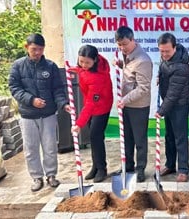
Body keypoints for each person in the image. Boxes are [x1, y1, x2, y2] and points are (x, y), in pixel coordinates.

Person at [9, 33, 70, 192]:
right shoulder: (17, 66)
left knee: (50, 147)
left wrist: (63, 103)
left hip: (48, 114)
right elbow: (14, 88)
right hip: (27, 115)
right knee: (31, 148)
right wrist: (31, 100)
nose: (37, 53)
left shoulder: (51, 66)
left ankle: (51, 175)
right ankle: (36, 177)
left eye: (40, 49)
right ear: (26, 47)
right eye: (34, 49)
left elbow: (58, 89)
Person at [69, 45, 113, 182]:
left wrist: (78, 124)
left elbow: (90, 105)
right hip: (92, 104)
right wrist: (75, 70)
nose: (84, 65)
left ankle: (102, 169)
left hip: (101, 106)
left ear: (95, 60)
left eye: (87, 62)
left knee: (96, 136)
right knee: (93, 137)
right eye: (81, 61)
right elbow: (83, 70)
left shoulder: (98, 78)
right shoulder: (91, 65)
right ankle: (95, 166)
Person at [114, 26, 152, 183]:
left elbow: (143, 88)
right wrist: (121, 64)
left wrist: (124, 100)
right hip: (126, 105)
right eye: (119, 45)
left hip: (138, 107)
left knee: (139, 139)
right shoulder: (126, 56)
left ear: (133, 40)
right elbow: (131, 75)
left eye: (125, 44)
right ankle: (128, 165)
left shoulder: (143, 60)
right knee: (127, 138)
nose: (122, 48)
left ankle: (140, 168)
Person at [156, 32, 189, 182]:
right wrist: (159, 75)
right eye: (161, 51)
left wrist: (161, 111)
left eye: (167, 51)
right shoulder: (166, 58)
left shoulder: (182, 67)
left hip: (179, 105)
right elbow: (163, 67)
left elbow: (173, 94)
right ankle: (170, 164)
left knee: (180, 137)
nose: (164, 54)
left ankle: (183, 169)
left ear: (175, 48)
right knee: (169, 136)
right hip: (168, 103)